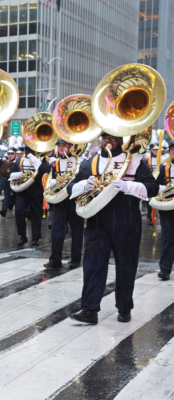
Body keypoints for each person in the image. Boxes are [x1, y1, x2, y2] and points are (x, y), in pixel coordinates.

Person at [67, 132, 158, 324]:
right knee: (93, 266)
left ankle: (124, 308)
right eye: (105, 138)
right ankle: (89, 310)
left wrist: (128, 186)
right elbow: (70, 188)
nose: (108, 142)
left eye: (113, 139)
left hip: (126, 221)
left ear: (121, 141)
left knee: (126, 266)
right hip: (97, 222)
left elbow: (153, 188)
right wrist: (84, 184)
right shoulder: (89, 163)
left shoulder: (134, 162)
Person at [44, 139, 84, 270]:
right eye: (59, 145)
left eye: (64, 145)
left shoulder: (79, 161)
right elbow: (50, 180)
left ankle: (76, 259)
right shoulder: (55, 163)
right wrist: (53, 184)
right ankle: (55, 260)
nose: (61, 148)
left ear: (71, 146)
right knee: (57, 230)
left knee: (77, 230)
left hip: (74, 199)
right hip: (59, 200)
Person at [9, 146, 51, 247]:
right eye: (26, 149)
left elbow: (45, 169)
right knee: (19, 211)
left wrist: (33, 157)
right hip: (22, 189)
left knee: (36, 213)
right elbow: (11, 173)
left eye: (30, 149)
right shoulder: (19, 160)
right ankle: (22, 235)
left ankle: (35, 237)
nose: (27, 151)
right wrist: (18, 175)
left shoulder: (40, 159)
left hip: (36, 188)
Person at [155, 143, 174, 281]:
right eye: (173, 150)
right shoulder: (163, 167)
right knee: (167, 238)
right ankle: (165, 269)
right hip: (167, 208)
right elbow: (154, 185)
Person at [144, 143, 159, 225]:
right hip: (150, 182)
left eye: (158, 150)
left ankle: (156, 216)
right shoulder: (146, 160)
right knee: (150, 202)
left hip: (159, 183)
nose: (156, 151)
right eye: (155, 150)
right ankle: (151, 218)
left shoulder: (163, 159)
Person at [0, 148, 16, 217]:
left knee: (14, 196)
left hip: (14, 181)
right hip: (6, 181)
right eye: (9, 154)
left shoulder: (17, 162)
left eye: (11, 154)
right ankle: (4, 210)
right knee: (7, 196)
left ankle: (10, 205)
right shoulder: (5, 161)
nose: (10, 155)